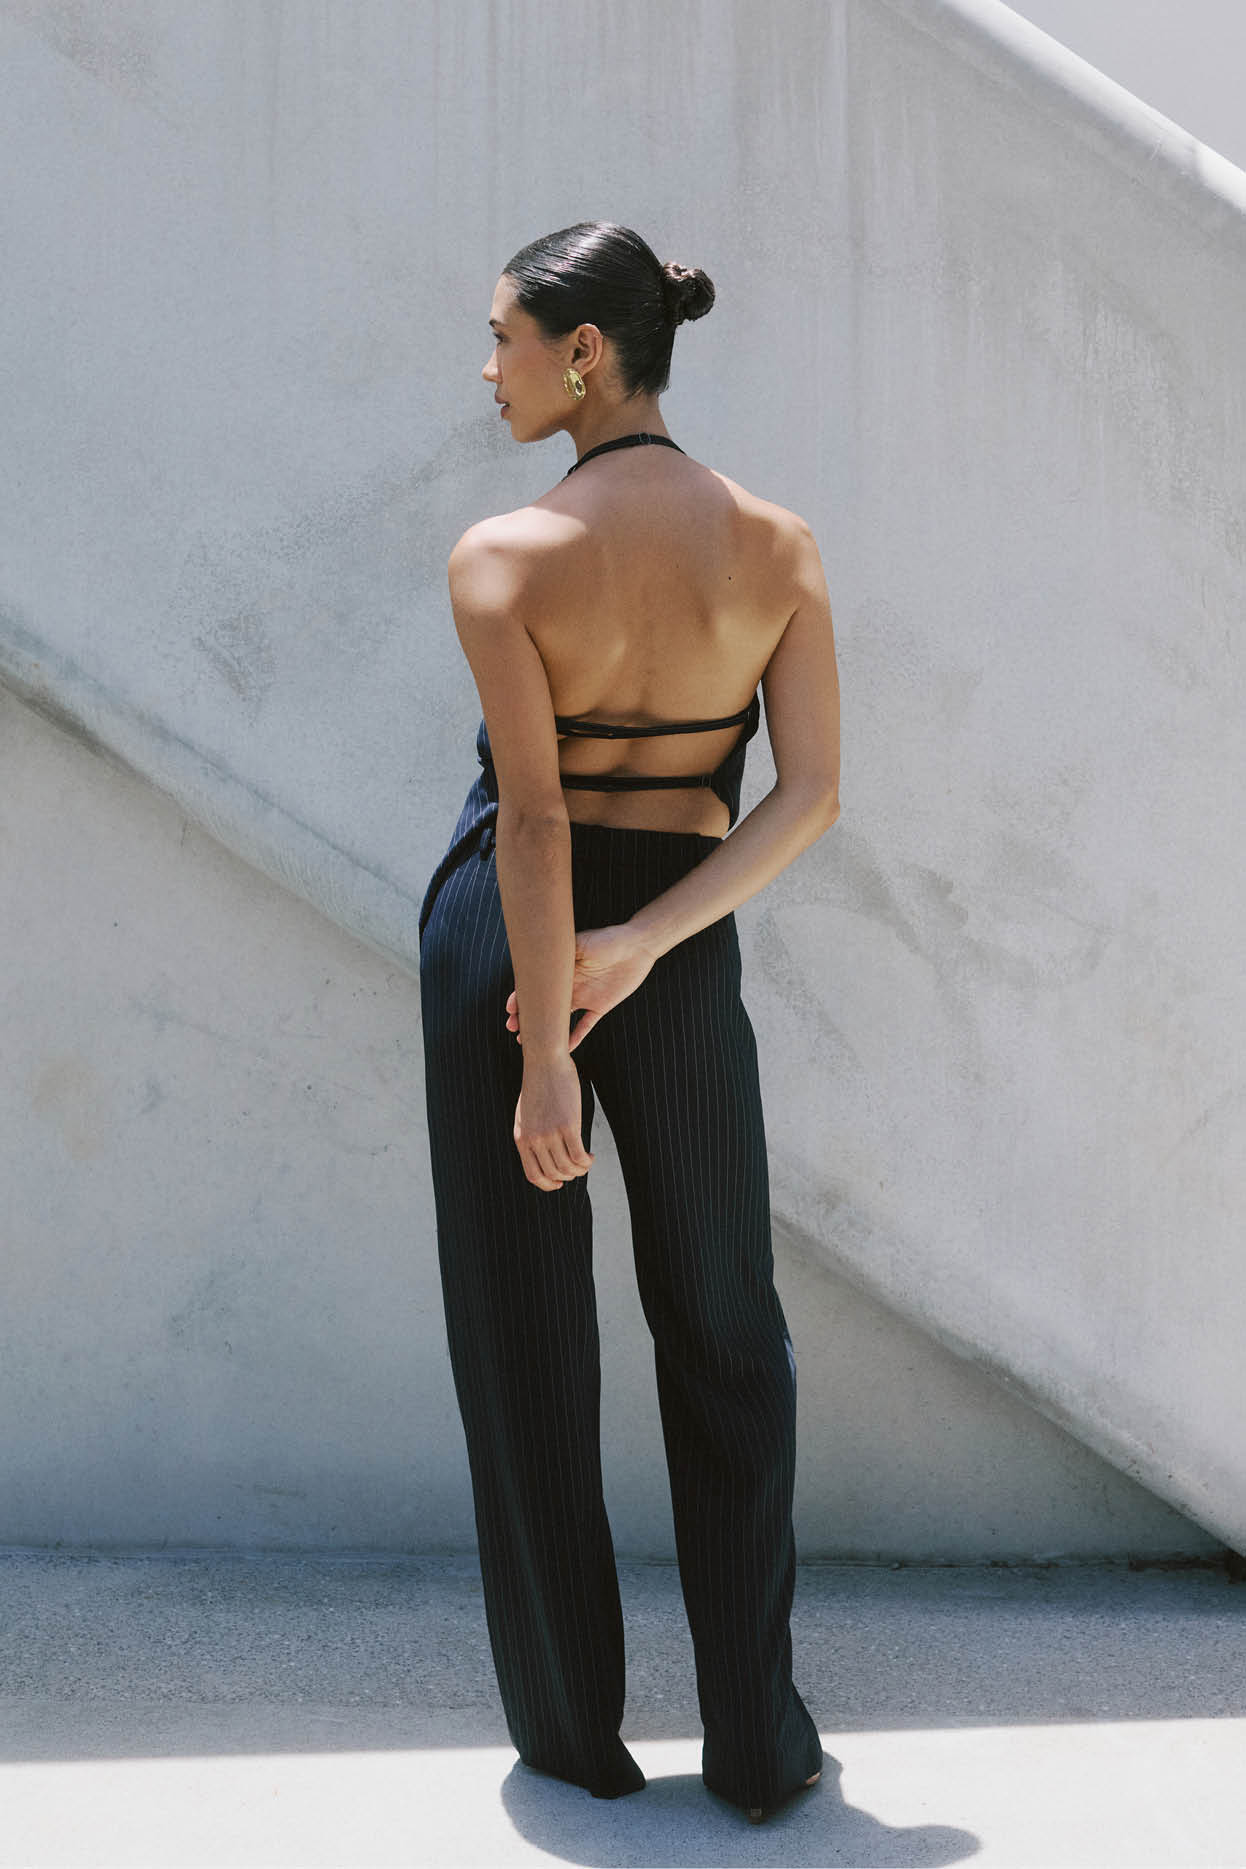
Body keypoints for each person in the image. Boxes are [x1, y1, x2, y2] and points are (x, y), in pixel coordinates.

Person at [417, 220, 840, 1824]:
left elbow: (534, 819)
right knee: (726, 1315)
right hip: (673, 932)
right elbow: (809, 793)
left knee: (521, 1327)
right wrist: (650, 941)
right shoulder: (778, 545)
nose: (489, 367)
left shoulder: (503, 555)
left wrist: (543, 1048)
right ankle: (757, 1740)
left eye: (505, 336)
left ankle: (569, 1733)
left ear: (583, 352)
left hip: (510, 942)